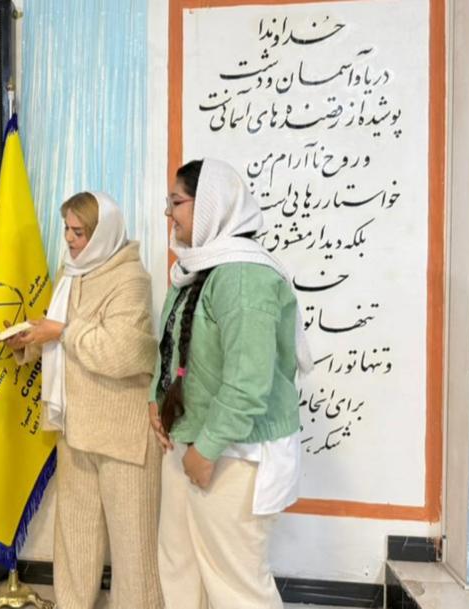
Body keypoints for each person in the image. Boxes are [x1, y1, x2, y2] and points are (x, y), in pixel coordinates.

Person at [150, 159, 313, 609]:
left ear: (209, 205)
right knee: (180, 567)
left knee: (235, 586)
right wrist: (155, 399)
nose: (168, 213)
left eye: (176, 202)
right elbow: (171, 343)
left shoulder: (243, 276)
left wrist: (206, 450)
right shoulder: (197, 267)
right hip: (190, 440)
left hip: (234, 453)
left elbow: (248, 382)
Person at [8, 192, 164, 609]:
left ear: (101, 234)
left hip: (122, 435)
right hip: (75, 427)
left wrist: (60, 331)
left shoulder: (130, 278)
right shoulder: (70, 272)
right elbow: (58, 336)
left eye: (78, 232)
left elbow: (121, 353)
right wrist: (27, 341)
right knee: (75, 542)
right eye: (67, 229)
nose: (69, 239)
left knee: (134, 548)